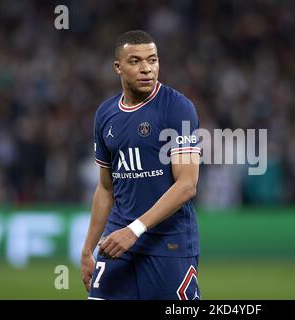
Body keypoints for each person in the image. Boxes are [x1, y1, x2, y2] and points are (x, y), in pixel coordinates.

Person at [80, 30, 201, 300]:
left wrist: (134, 230)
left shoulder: (177, 108)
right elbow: (105, 188)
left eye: (153, 60)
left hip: (168, 245)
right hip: (117, 245)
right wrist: (88, 249)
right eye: (135, 61)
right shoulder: (106, 114)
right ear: (118, 67)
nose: (147, 69)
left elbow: (187, 185)